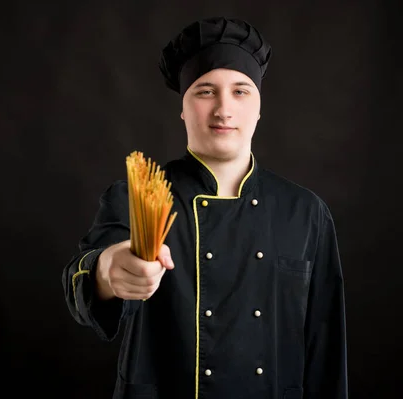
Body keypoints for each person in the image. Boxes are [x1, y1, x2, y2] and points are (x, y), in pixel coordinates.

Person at [61, 16, 348, 399]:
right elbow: (82, 282)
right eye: (205, 91)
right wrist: (109, 271)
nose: (223, 110)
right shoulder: (140, 194)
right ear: (183, 107)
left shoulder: (306, 212)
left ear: (259, 107)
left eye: (241, 91)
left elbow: (327, 353)